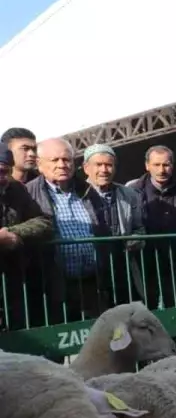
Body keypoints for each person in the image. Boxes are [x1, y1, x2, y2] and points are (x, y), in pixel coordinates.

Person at [25, 138, 113, 322]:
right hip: (52, 287)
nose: (62, 165)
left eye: (66, 160)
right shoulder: (28, 194)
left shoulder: (88, 191)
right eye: (54, 160)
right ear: (39, 165)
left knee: (99, 339)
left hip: (91, 284)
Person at [127, 146, 176, 309]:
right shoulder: (131, 191)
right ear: (147, 165)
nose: (161, 170)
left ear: (173, 166)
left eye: (166, 165)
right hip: (144, 262)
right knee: (145, 312)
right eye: (156, 165)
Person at [81, 144, 145, 306]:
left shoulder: (129, 194)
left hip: (122, 264)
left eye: (109, 165)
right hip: (91, 267)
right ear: (86, 168)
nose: (104, 170)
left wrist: (136, 239)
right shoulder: (77, 195)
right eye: (98, 165)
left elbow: (139, 227)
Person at [0, 148, 53, 330]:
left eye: (5, 171)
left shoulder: (16, 190)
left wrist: (14, 233)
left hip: (13, 283)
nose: (2, 178)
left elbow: (44, 222)